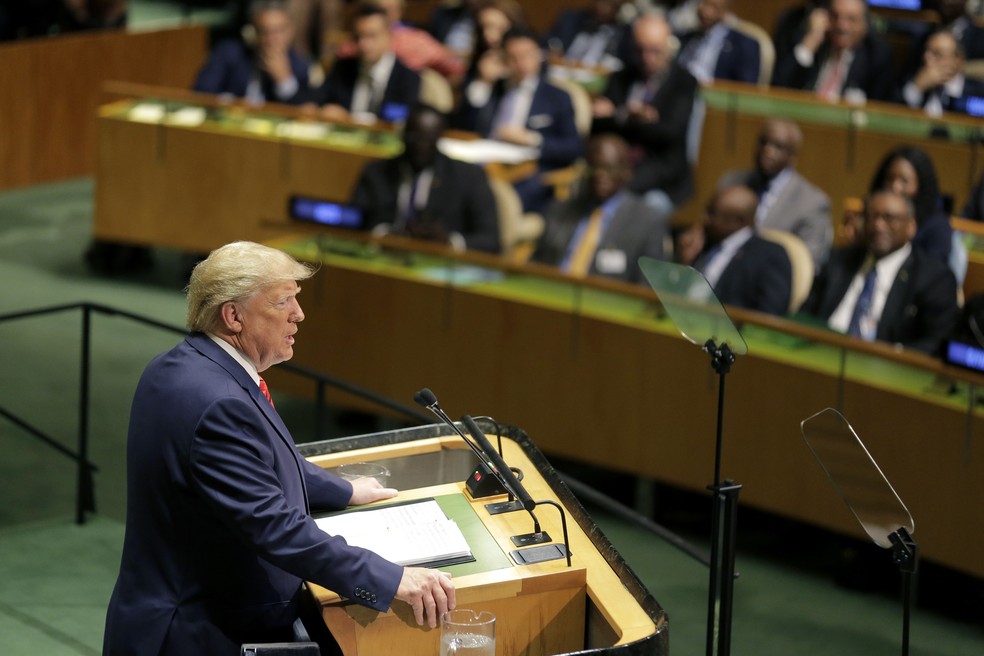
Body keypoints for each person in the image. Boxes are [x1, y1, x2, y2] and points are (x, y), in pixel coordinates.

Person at [103, 242, 456, 654]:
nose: (299, 314)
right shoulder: (220, 403)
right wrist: (392, 578)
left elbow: (256, 459)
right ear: (233, 316)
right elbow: (273, 527)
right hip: (194, 634)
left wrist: (344, 490)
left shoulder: (184, 367)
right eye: (283, 301)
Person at [800, 190, 958, 354]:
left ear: (911, 227)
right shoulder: (839, 260)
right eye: (871, 217)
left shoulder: (934, 278)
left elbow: (936, 343)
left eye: (889, 218)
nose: (878, 225)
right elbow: (805, 315)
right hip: (820, 352)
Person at [453, 26, 583, 213]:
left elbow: (573, 148)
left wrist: (532, 139)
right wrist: (483, 82)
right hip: (484, 164)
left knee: (496, 198)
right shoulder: (494, 88)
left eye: (527, 55)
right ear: (504, 59)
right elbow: (465, 127)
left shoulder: (557, 97)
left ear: (539, 55)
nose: (522, 63)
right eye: (514, 57)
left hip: (527, 173)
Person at [350, 103, 501, 252]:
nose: (421, 146)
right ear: (403, 136)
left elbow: (491, 241)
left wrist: (449, 241)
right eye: (415, 138)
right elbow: (352, 225)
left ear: (439, 140)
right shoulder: (376, 172)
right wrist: (384, 235)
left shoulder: (468, 177)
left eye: (429, 140)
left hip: (443, 266)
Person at [591, 13, 698, 222]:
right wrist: (631, 117)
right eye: (640, 50)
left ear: (669, 48)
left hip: (661, 172)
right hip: (617, 164)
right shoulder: (620, 77)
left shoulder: (684, 82)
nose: (647, 58)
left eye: (655, 51)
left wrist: (618, 117)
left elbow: (669, 133)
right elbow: (598, 125)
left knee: (625, 205)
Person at [533, 133, 666, 283]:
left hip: (603, 301)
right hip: (551, 292)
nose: (600, 175)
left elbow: (647, 286)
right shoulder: (561, 208)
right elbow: (538, 262)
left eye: (609, 169)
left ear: (626, 172)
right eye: (594, 167)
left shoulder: (647, 222)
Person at [718, 119, 832, 269]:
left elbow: (808, 265)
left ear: (793, 155)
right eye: (763, 142)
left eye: (778, 147)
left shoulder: (812, 202)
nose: (768, 151)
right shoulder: (731, 182)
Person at [690, 185, 793, 316]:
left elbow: (770, 314)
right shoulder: (706, 243)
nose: (705, 218)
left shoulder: (770, 255)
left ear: (738, 221)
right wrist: (687, 261)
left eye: (712, 213)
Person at [314, 2, 421, 122]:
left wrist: (349, 119)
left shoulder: (408, 78)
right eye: (358, 37)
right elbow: (316, 100)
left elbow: (402, 123)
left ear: (389, 36)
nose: (363, 44)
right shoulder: (343, 68)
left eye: (371, 36)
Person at [771, 0, 893, 103]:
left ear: (865, 25)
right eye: (835, 16)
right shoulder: (809, 38)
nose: (842, 26)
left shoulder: (876, 54)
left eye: (851, 19)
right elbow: (779, 88)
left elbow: (881, 106)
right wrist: (811, 41)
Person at [193, 0, 312, 106]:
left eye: (278, 31)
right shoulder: (228, 53)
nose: (271, 40)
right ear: (253, 32)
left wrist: (284, 81)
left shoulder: (300, 66)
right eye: (264, 32)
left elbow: (302, 112)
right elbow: (201, 92)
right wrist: (233, 103)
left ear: (290, 31)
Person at [332, 0, 466, 80]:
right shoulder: (353, 45)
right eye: (378, 10)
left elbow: (455, 69)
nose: (365, 44)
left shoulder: (418, 42)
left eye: (389, 11)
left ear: (399, 11)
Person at [868, 145, 954, 269]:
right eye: (889, 178)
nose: (895, 187)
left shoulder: (938, 227)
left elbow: (932, 273)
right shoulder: (872, 217)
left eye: (904, 181)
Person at [899, 30, 984, 117]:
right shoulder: (910, 83)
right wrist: (917, 88)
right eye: (926, 52)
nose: (927, 59)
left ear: (958, 60)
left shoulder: (979, 92)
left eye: (937, 54)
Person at [676, 0, 761, 84]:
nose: (706, 12)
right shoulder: (686, 37)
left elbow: (746, 89)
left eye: (714, 7)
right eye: (704, 3)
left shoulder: (744, 45)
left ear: (726, 11)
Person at [544, 0, 633, 71]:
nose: (605, 8)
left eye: (612, 5)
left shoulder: (622, 33)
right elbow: (549, 41)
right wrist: (554, 48)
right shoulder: (571, 19)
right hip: (561, 70)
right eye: (602, 2)